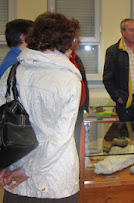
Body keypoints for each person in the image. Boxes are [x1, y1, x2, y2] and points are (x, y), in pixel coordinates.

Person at [0, 12, 82, 202]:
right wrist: (28, 171)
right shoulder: (68, 79)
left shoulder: (12, 72)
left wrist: (4, 165)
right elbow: (60, 138)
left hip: (15, 178)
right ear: (64, 41)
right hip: (55, 181)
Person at [69, 34, 89, 154]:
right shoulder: (64, 61)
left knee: (78, 142)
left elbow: (83, 83)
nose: (80, 41)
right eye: (76, 39)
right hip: (70, 111)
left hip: (79, 110)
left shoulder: (76, 58)